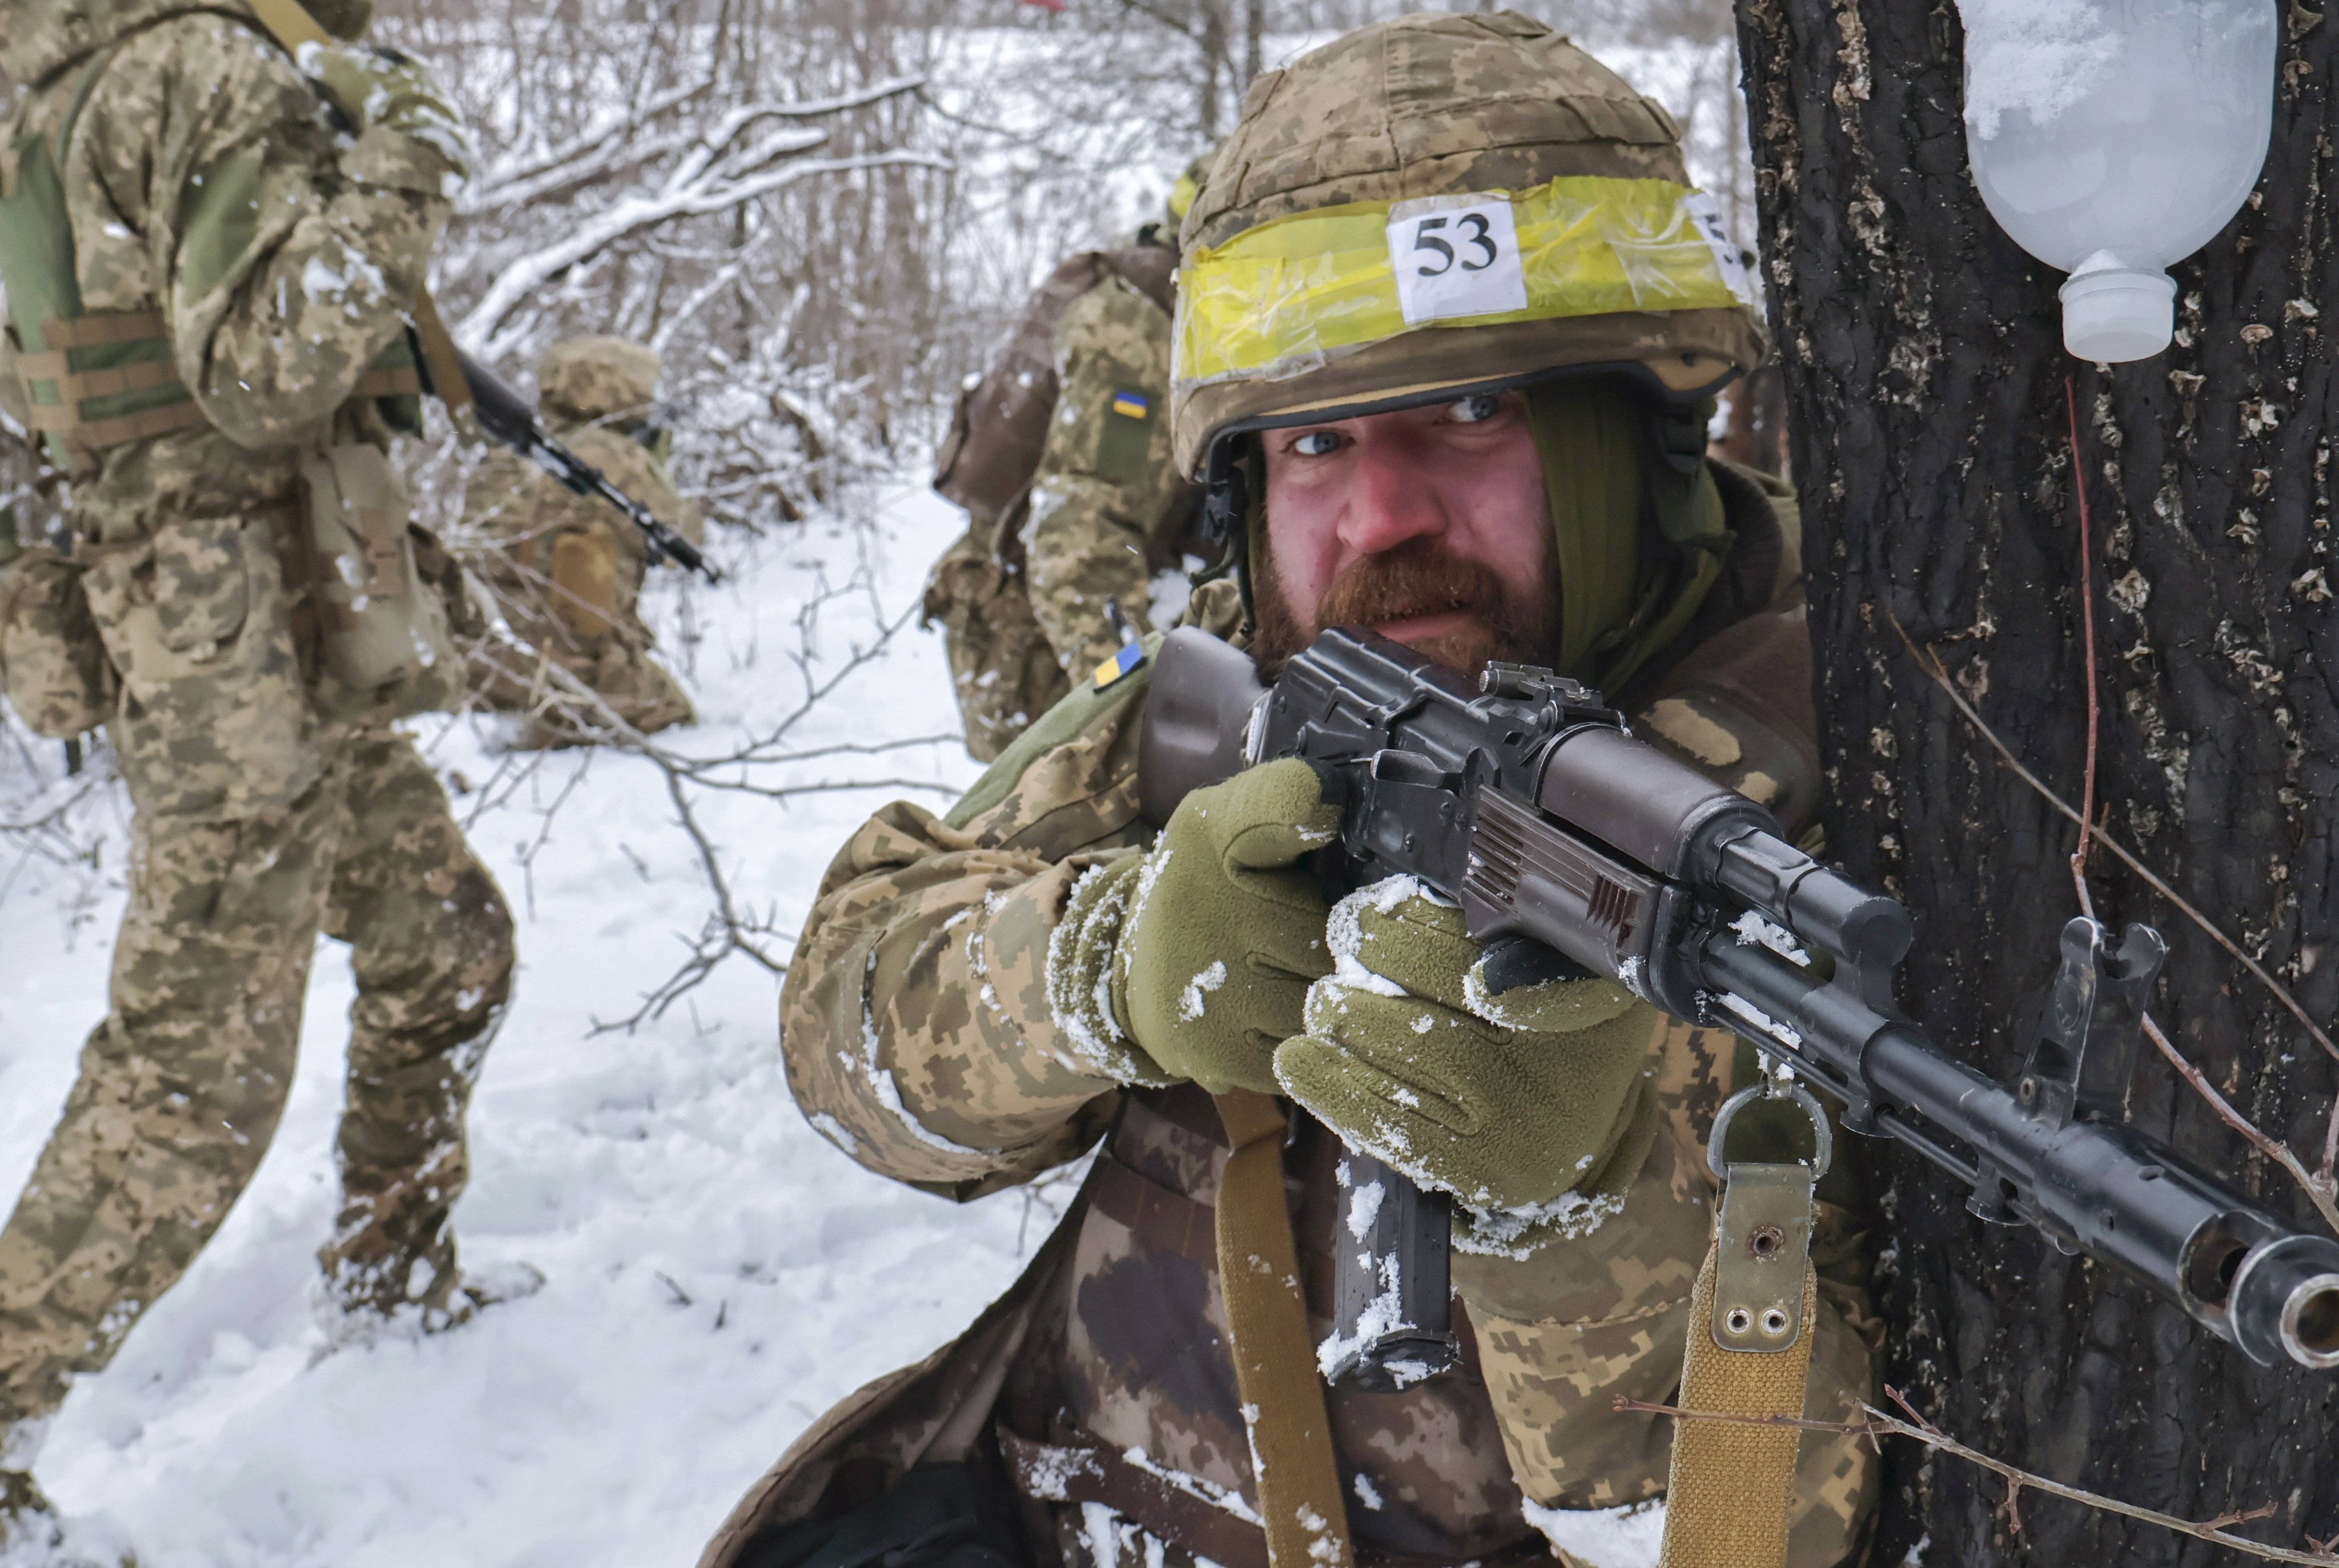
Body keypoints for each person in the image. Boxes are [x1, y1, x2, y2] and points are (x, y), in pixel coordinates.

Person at [709, 15, 1881, 1568]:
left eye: (1474, 412)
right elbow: (844, 1035)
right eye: (1314, 440)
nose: (1381, 515)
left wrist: (1580, 1212)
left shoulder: (1866, 770)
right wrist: (1102, 969)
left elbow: (1771, 1540)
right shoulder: (1261, 675)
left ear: (1645, 429)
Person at [0, 0, 515, 1541]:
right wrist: (411, 155)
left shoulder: (59, 91)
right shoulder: (200, 64)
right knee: (195, 1085)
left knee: (449, 942)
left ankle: (391, 1274)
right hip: (234, 659)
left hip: (241, 629)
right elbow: (262, 371)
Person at [922, 153, 1212, 761]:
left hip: (1060, 635)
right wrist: (1145, 728)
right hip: (1039, 655)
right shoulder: (1136, 331)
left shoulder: (1173, 308)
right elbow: (1078, 547)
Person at [463, 335, 702, 744]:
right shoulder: (618, 457)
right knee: (673, 709)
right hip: (572, 669)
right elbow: (688, 540)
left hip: (485, 666)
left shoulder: (507, 453)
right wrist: (656, 456)